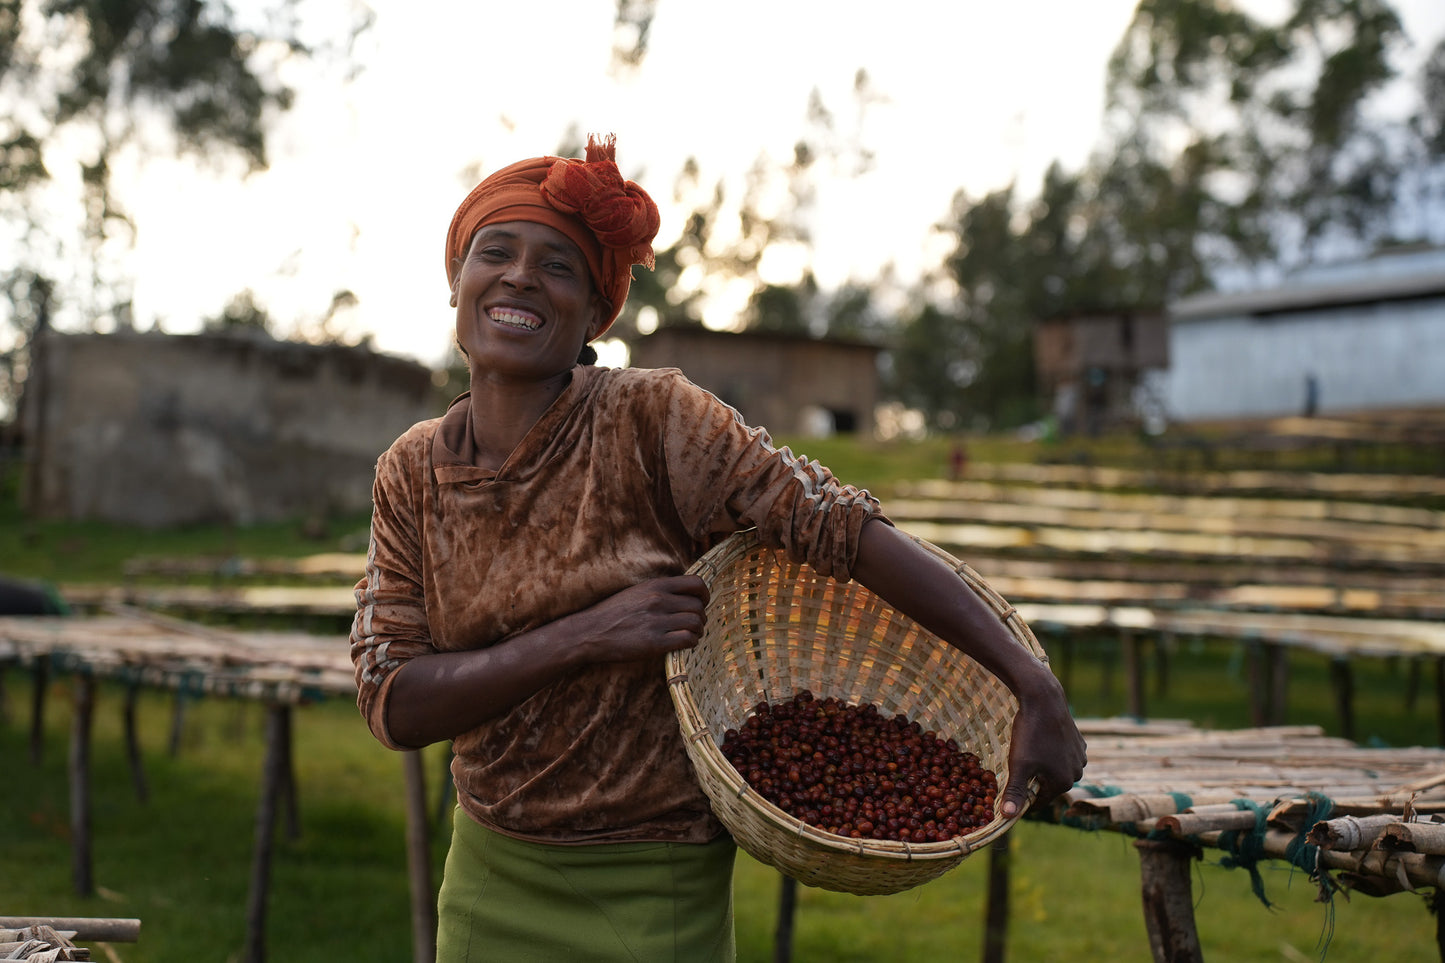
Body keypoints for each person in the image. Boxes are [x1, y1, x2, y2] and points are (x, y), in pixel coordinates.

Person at [349, 134, 1086, 962]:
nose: (520, 275)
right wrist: (587, 634)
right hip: (491, 870)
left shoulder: (653, 419)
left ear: (593, 314)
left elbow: (837, 526)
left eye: (558, 266)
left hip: (655, 881)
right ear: (457, 280)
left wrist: (1030, 681)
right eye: (496, 252)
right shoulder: (412, 471)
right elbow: (394, 700)